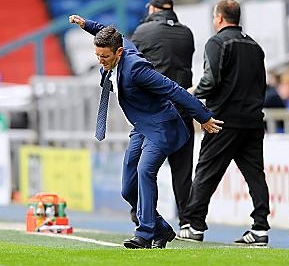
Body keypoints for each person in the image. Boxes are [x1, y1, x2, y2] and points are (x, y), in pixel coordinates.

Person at [69, 15, 223, 249]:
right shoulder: (117, 45)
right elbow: (107, 30)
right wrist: (86, 25)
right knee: (127, 188)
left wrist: (202, 116)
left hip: (162, 126)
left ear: (119, 53)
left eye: (105, 57)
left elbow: (173, 89)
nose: (101, 61)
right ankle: (161, 230)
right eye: (97, 56)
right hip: (141, 129)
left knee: (145, 171)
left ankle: (145, 234)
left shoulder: (137, 69)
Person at [178, 0, 271, 246]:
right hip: (252, 120)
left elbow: (212, 79)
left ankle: (194, 224)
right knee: (255, 176)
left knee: (207, 171)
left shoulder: (217, 42)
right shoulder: (255, 46)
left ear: (219, 18)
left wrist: (191, 94)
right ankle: (260, 228)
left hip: (223, 120)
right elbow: (262, 83)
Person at [130, 0, 196, 228]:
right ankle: (187, 221)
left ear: (154, 9)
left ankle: (143, 217)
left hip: (154, 112)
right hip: (183, 109)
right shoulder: (186, 33)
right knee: (183, 170)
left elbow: (129, 65)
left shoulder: (143, 32)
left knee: (143, 169)